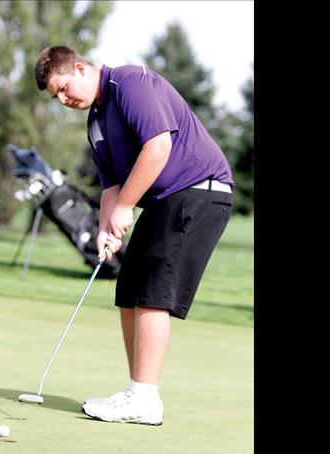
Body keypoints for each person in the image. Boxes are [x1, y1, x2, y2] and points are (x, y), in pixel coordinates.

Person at [34, 45, 234, 425]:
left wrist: (126, 207)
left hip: (200, 190)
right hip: (166, 200)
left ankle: (144, 399)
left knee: (152, 293)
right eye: (55, 97)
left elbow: (158, 147)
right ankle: (137, 393)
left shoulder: (130, 83)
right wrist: (106, 229)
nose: (62, 100)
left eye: (63, 89)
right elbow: (112, 185)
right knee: (129, 290)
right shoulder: (95, 121)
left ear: (79, 67)